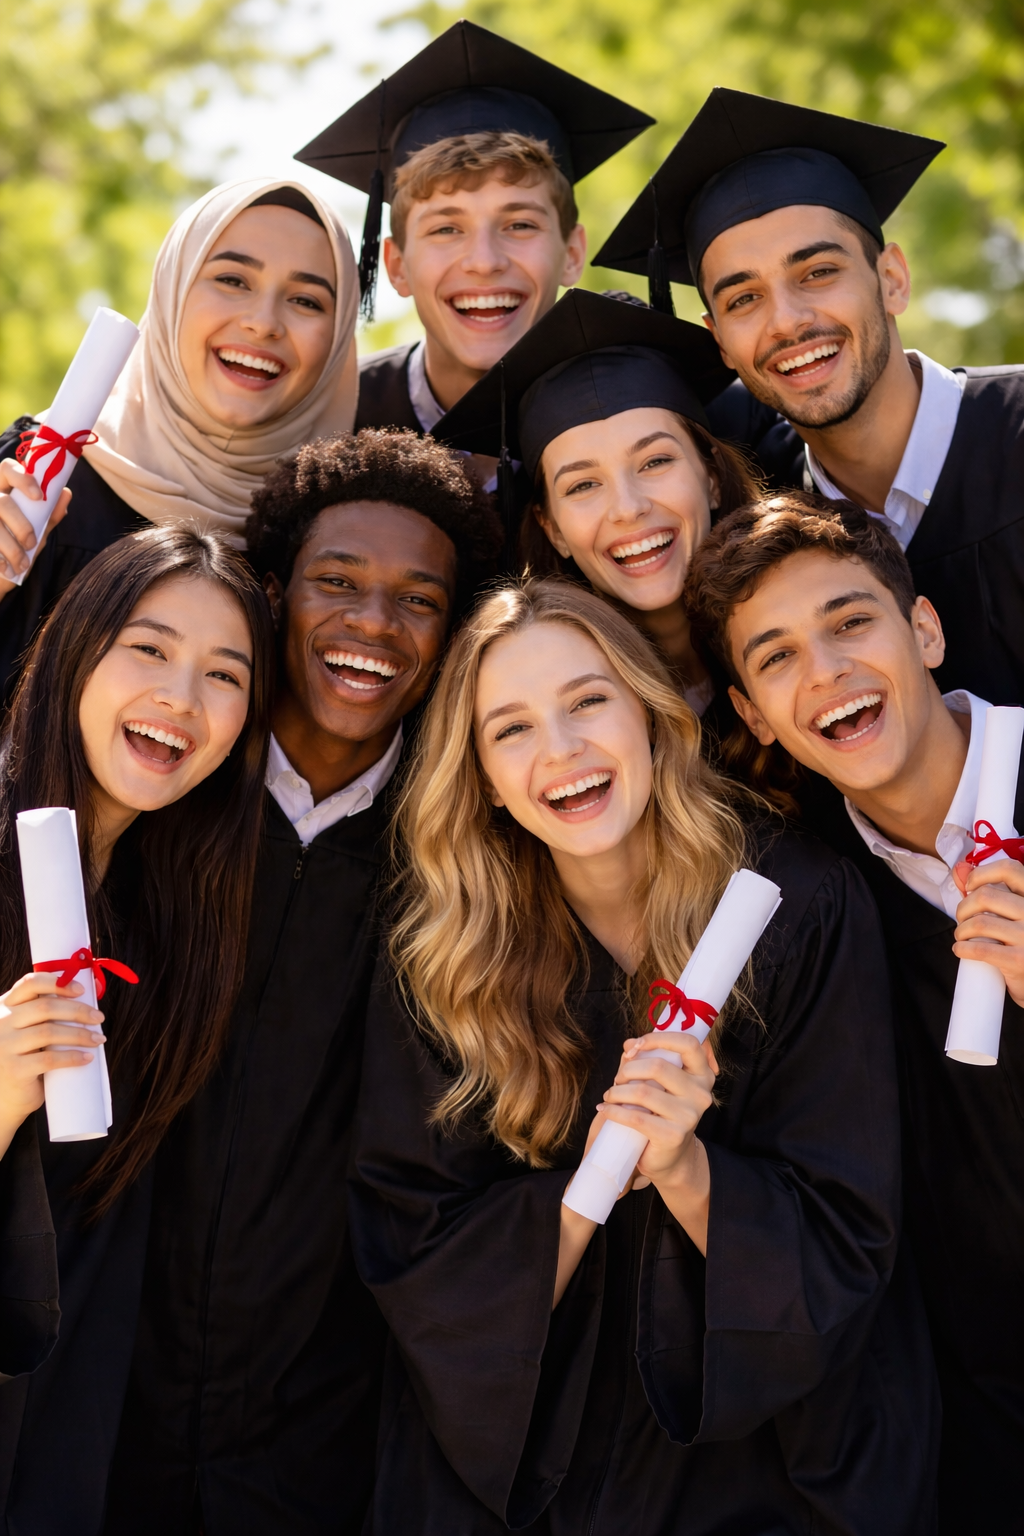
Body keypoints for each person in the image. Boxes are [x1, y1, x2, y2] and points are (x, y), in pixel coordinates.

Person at [349, 576, 939, 1535]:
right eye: (511, 729)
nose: (563, 749)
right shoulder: (447, 954)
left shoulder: (799, 902)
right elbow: (411, 1241)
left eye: (588, 701)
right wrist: (587, 1196)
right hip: (531, 1462)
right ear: (482, 777)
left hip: (766, 1472)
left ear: (653, 714)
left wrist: (688, 1168)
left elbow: (850, 1230)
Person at [98, 429, 502, 1535]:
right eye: (337, 583)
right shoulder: (160, 807)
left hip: (322, 1431)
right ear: (273, 595)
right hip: (102, 1388)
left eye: (419, 600)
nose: (372, 624)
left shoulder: (459, 862)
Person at [683, 492, 1024, 1535]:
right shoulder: (806, 903)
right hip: (988, 1423)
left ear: (923, 628)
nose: (825, 672)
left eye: (849, 622)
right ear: (749, 714)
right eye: (775, 657)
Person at [0, 525, 274, 1534]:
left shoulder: (175, 925)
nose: (182, 699)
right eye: (149, 650)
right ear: (75, 649)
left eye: (225, 674)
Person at [597, 88, 1024, 706]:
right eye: (744, 299)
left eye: (818, 272)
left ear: (892, 280)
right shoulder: (767, 533)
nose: (788, 322)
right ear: (718, 341)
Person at [0, 176, 359, 702]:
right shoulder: (36, 474)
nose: (263, 323)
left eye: (306, 300)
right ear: (171, 291)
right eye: (233, 280)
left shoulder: (333, 544)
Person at [296, 19, 650, 435]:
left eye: (519, 224)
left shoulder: (669, 416)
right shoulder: (327, 429)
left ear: (572, 254)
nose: (484, 261)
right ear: (396, 266)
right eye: (446, 229)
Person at [437, 287, 759, 717]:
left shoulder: (798, 632)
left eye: (655, 462)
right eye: (583, 485)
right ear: (551, 528)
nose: (628, 507)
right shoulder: (541, 698)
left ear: (712, 477)